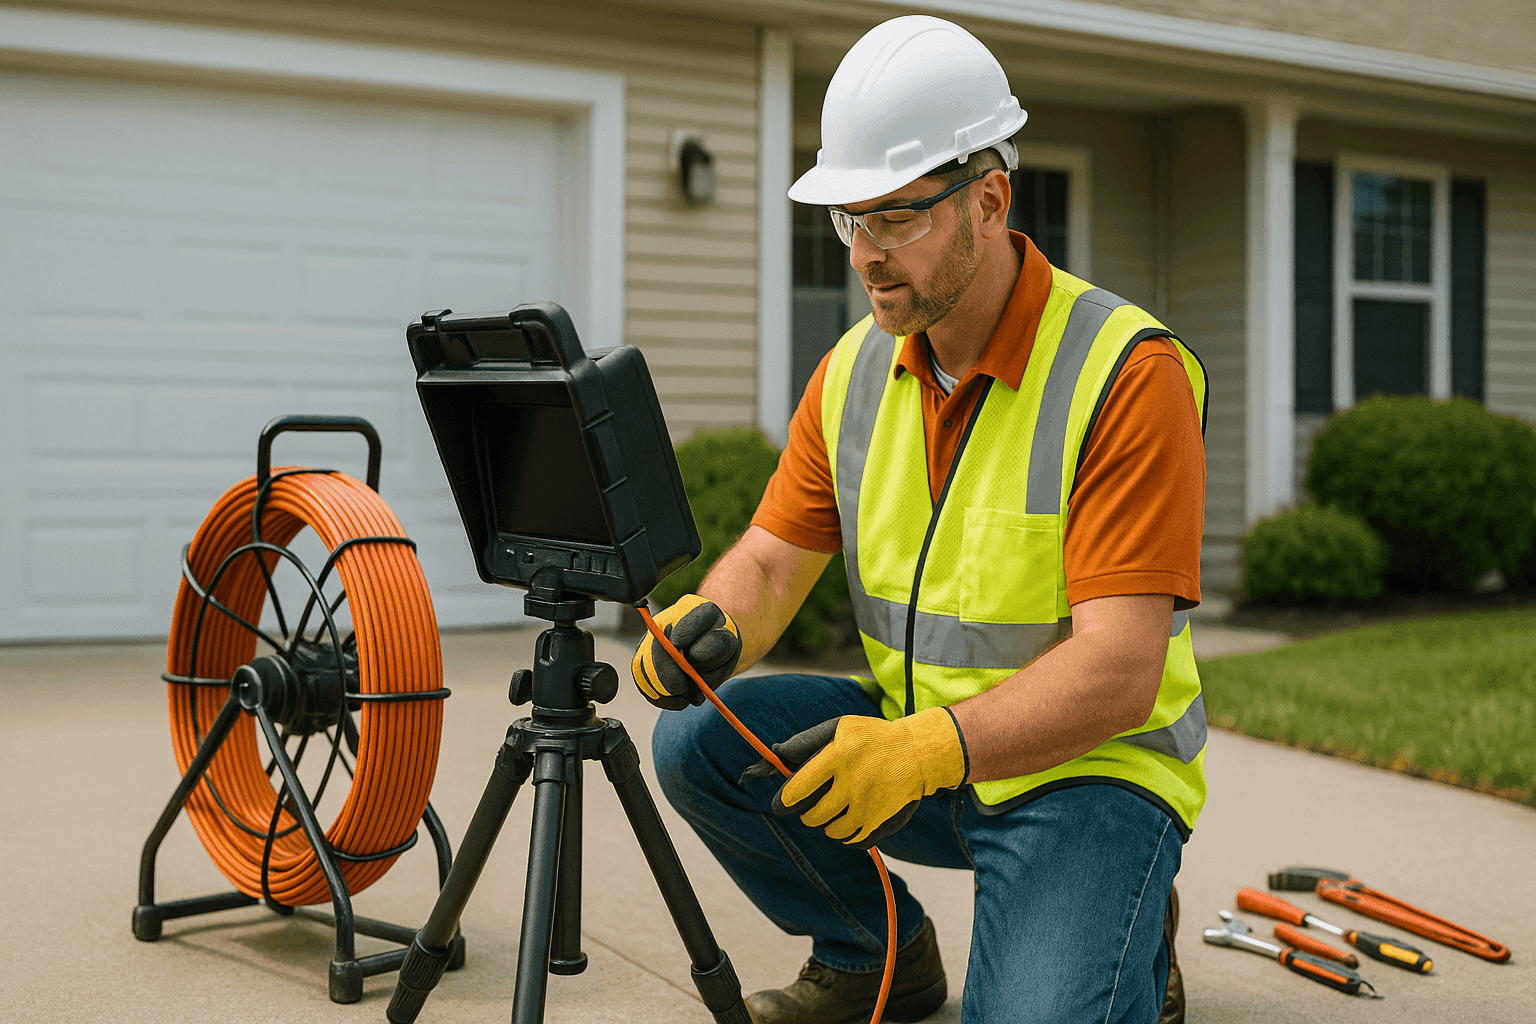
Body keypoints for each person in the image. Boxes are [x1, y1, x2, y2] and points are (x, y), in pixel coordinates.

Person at [632, 15, 1207, 1024]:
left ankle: (1129, 916)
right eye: (851, 220)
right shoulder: (854, 371)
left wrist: (928, 748)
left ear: (990, 199)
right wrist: (711, 626)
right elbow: (769, 563)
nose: (866, 254)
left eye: (898, 218)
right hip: (924, 745)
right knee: (695, 741)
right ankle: (875, 957)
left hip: (1085, 774)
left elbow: (1123, 669)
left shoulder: (1124, 371)